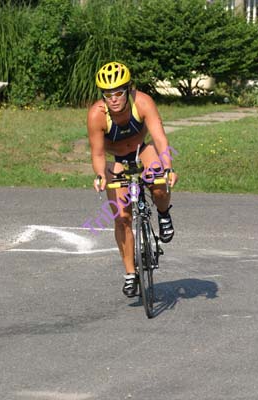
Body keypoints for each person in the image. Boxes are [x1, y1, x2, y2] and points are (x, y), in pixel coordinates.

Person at [87, 61, 178, 297]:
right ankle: (130, 273)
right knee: (122, 217)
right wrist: (99, 175)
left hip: (142, 150)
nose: (114, 99)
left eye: (118, 93)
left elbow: (159, 139)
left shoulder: (143, 102)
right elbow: (97, 153)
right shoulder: (97, 115)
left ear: (128, 90)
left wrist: (168, 168)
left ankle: (163, 214)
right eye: (108, 95)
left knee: (157, 180)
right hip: (116, 158)